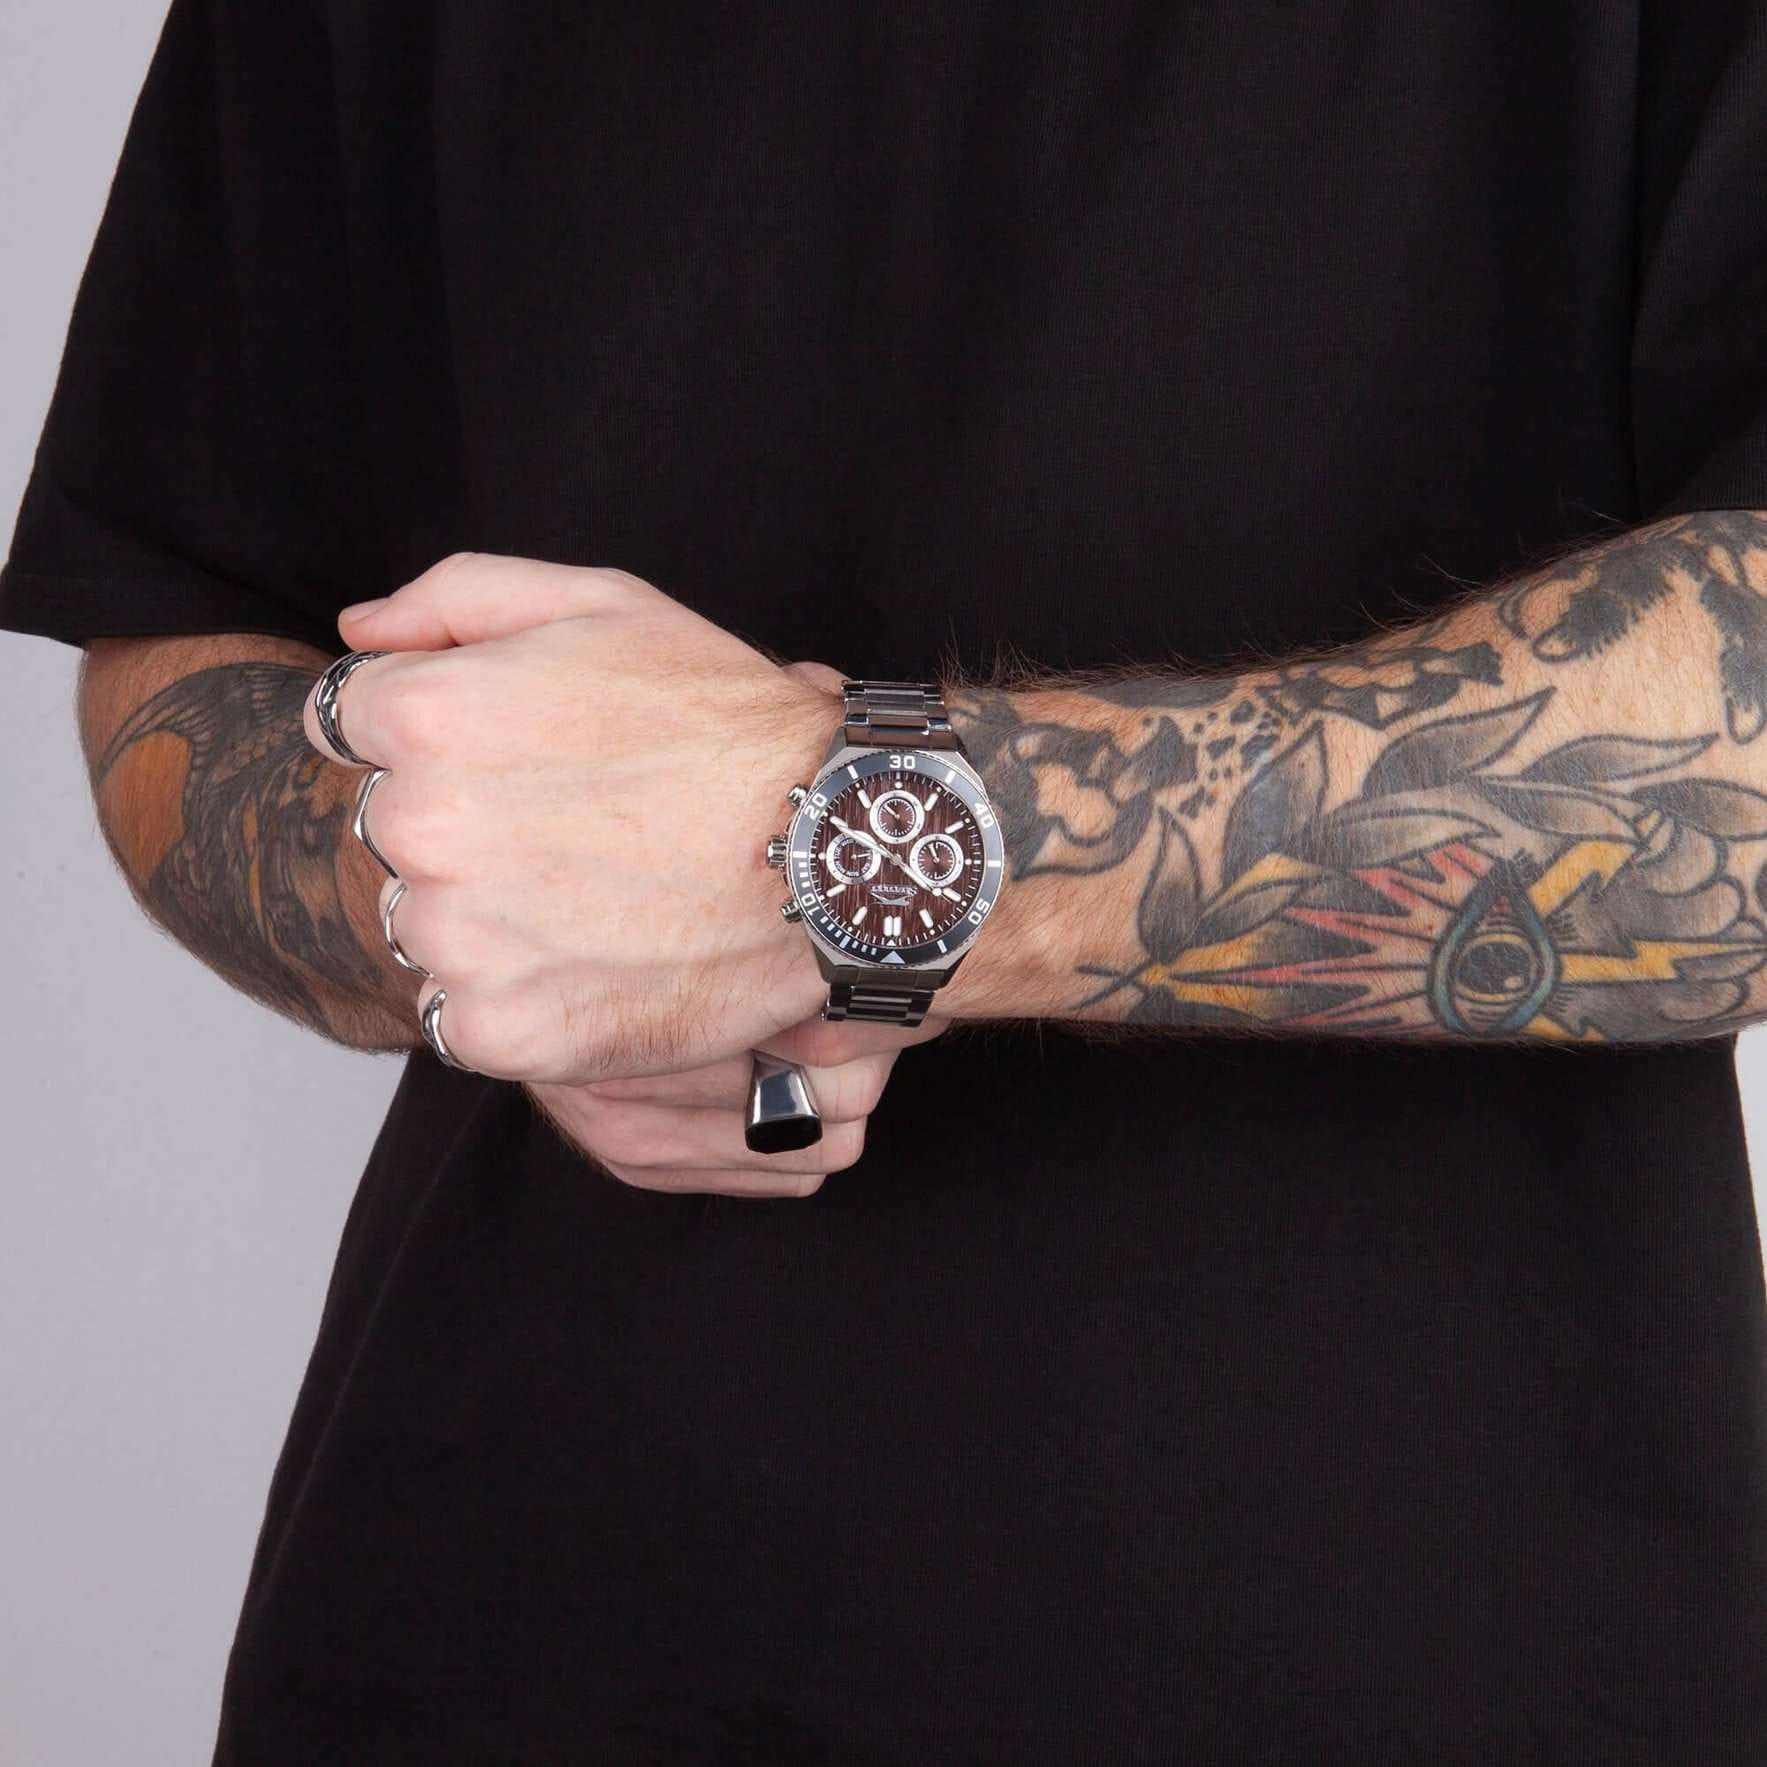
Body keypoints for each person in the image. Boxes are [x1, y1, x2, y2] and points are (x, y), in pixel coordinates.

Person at [5, 0, 1766, 1759]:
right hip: (509, 1604)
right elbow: (184, 650)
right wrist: (483, 915)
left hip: (1452, 1630)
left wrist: (830, 848)